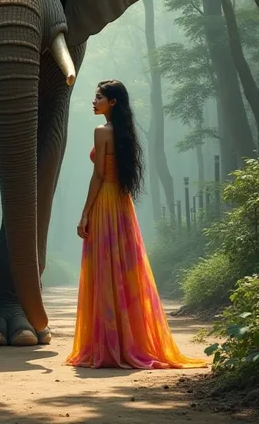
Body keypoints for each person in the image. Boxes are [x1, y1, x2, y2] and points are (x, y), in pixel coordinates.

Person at [65, 80, 207, 370]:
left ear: (113, 102)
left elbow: (99, 177)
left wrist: (84, 214)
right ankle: (130, 340)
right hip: (122, 204)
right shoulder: (126, 133)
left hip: (105, 202)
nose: (94, 101)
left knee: (104, 268)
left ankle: (108, 346)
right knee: (125, 269)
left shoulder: (102, 132)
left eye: (99, 97)